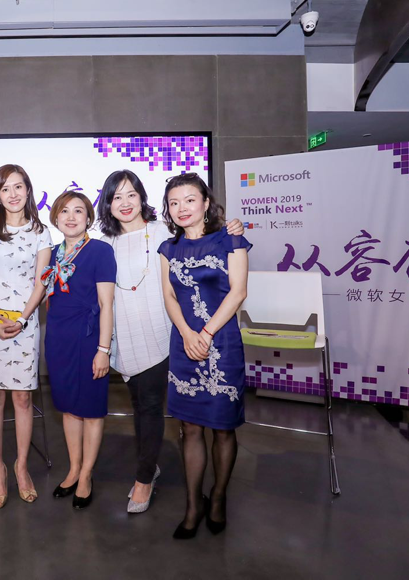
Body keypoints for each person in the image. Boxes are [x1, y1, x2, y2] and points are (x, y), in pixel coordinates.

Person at [97, 170, 245, 514]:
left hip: (164, 334)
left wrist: (231, 226)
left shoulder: (163, 232)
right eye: (116, 197)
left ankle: (144, 478)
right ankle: (155, 471)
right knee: (141, 407)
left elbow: (207, 249)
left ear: (142, 198)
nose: (125, 202)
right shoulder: (104, 243)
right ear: (107, 204)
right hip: (125, 336)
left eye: (131, 194)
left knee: (151, 407)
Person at [158, 173, 251, 540]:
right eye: (174, 202)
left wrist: (207, 333)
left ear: (206, 203)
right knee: (189, 428)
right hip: (185, 345)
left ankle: (219, 497)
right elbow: (169, 296)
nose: (181, 208)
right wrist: (186, 333)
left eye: (189, 199)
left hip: (222, 344)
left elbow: (238, 292)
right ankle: (193, 505)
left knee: (223, 428)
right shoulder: (168, 249)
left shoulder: (231, 239)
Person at [0, 164, 52, 509]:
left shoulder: (41, 232)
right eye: (5, 189)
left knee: (22, 399)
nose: (13, 194)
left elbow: (41, 283)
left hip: (24, 324)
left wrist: (22, 317)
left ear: (28, 190)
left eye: (19, 187)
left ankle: (21, 466)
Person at [42, 191, 116, 509]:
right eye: (64, 211)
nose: (71, 217)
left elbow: (106, 304)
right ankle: (73, 469)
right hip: (58, 339)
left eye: (78, 211)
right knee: (69, 407)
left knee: (91, 409)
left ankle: (86, 475)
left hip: (88, 340)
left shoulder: (100, 251)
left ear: (89, 218)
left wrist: (103, 350)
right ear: (56, 217)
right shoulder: (52, 254)